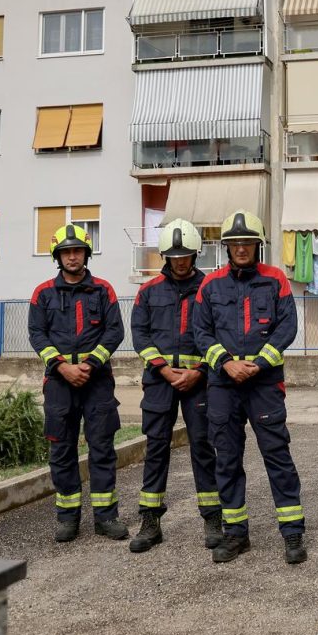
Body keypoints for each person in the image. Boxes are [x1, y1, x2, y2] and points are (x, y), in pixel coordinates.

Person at [191, 210, 306, 564]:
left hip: (264, 383)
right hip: (223, 385)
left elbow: (287, 327)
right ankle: (236, 534)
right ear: (226, 248)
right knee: (226, 458)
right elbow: (201, 332)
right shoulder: (210, 286)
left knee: (277, 455)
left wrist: (257, 363)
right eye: (234, 243)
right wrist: (226, 362)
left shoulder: (276, 280)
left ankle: (292, 534)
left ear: (258, 245)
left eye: (247, 242)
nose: (241, 248)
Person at [28, 224, 127, 543]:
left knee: (102, 448)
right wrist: (62, 366)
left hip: (97, 382)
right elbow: (37, 335)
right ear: (58, 256)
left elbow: (114, 332)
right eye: (66, 252)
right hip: (59, 383)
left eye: (78, 250)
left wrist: (90, 363)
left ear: (86, 253)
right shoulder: (42, 293)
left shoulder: (104, 290)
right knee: (61, 450)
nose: (73, 256)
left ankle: (106, 517)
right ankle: (68, 519)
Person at [128, 219, 221, 553]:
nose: (180, 260)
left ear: (195, 254)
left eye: (185, 255)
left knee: (203, 447)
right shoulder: (148, 291)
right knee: (155, 448)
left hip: (200, 381)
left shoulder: (211, 289)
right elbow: (140, 335)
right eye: (173, 255)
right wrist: (165, 371)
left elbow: (219, 334)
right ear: (165, 256)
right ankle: (150, 520)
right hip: (159, 381)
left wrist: (199, 371)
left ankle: (212, 517)